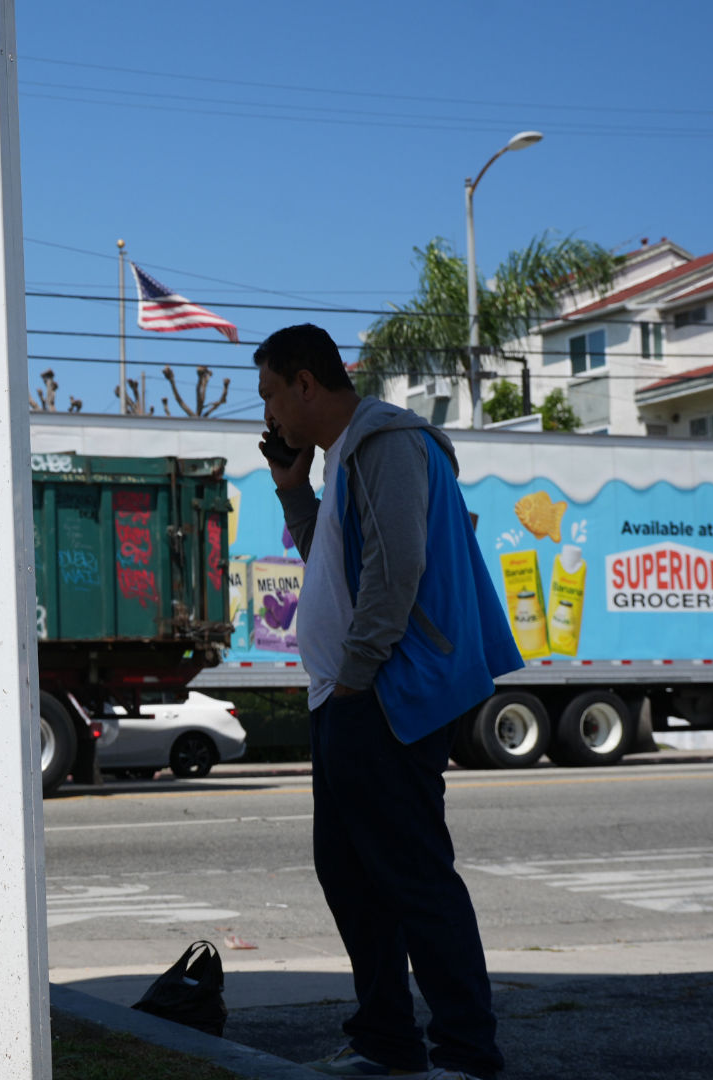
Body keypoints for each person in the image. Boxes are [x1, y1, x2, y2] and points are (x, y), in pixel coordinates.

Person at [253, 325, 522, 1080]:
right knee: (350, 874)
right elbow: (334, 563)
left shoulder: (386, 442)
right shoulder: (343, 456)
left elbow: (397, 568)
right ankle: (387, 1042)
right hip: (345, 697)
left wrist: (356, 676)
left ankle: (466, 1053)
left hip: (382, 696)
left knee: (414, 876)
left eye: (271, 394)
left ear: (307, 383)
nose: (268, 414)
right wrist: (293, 488)